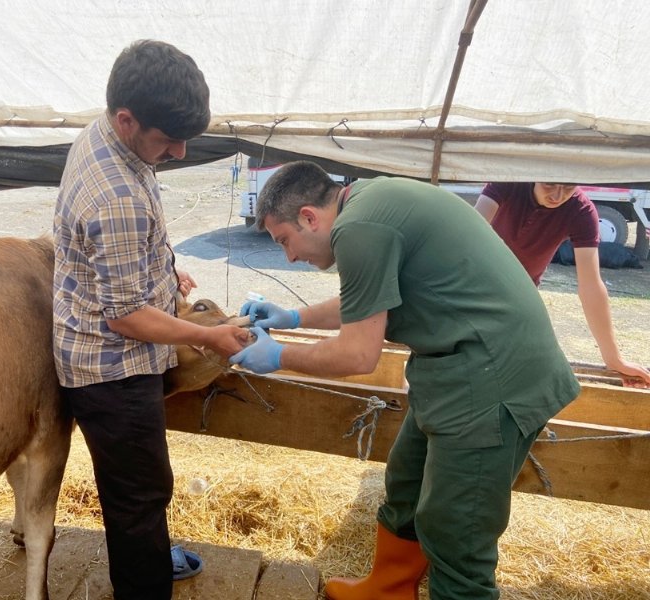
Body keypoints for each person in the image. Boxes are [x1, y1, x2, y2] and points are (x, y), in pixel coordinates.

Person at [229, 161, 580, 600]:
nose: (290, 256)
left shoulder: (358, 228)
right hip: (460, 367)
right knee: (406, 480)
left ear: (308, 217)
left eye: (285, 241)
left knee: (457, 530)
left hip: (492, 378)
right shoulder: (371, 203)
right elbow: (370, 294)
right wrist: (295, 318)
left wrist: (278, 355)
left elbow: (358, 354)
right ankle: (390, 587)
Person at [52, 40, 249, 600]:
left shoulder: (106, 136)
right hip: (111, 366)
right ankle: (145, 582)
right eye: (168, 139)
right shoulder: (117, 198)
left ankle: (148, 554)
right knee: (140, 492)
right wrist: (207, 334)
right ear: (127, 119)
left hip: (99, 337)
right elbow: (128, 318)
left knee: (136, 484)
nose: (181, 153)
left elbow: (119, 258)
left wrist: (166, 274)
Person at [474, 182, 650, 387]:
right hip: (476, 288)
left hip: (520, 299)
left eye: (568, 188)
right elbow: (469, 231)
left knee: (521, 372)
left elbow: (591, 285)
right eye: (549, 185)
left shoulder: (580, 210)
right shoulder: (509, 183)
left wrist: (613, 358)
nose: (557, 196)